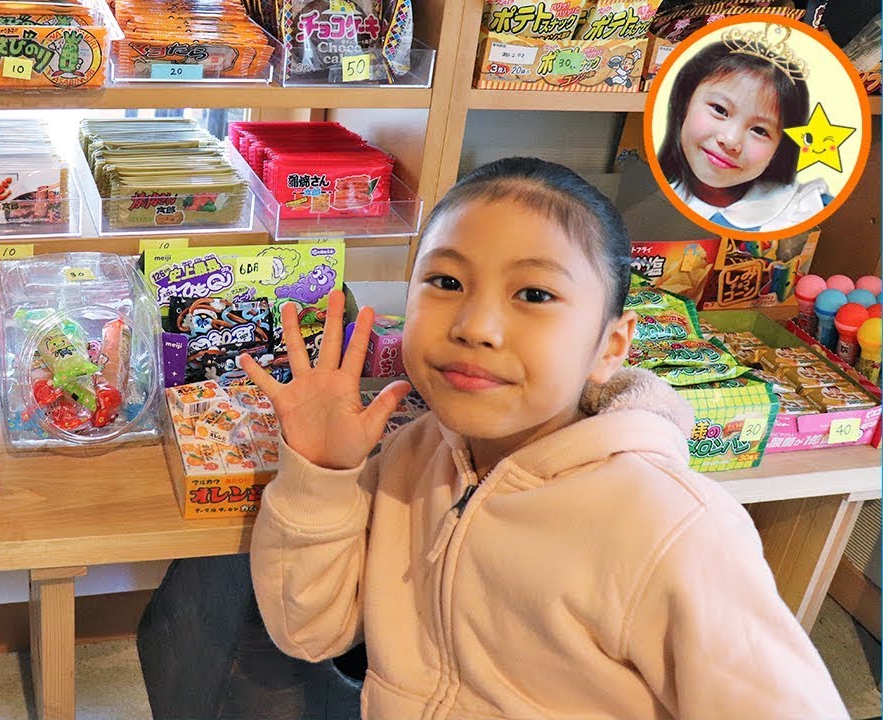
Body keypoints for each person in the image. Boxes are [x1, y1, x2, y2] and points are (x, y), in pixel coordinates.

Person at [242, 157, 848, 719]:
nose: (475, 326)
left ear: (610, 346)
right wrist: (321, 473)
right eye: (446, 282)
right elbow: (308, 631)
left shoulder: (672, 527)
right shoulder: (412, 455)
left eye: (534, 294)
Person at [656, 32, 829, 233]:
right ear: (685, 102)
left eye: (759, 130)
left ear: (780, 148)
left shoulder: (800, 209)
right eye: (720, 110)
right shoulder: (645, 195)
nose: (730, 140)